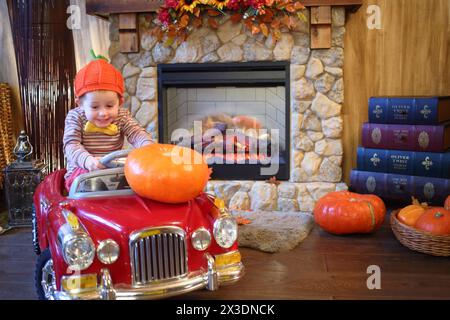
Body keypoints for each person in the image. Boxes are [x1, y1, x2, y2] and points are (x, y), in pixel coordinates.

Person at [63, 54, 153, 191]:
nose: (103, 113)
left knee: (140, 182)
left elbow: (136, 133)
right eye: (94, 107)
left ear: (120, 103)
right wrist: (87, 160)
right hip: (83, 170)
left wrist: (147, 146)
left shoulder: (122, 116)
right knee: (91, 186)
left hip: (113, 171)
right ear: (80, 104)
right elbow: (71, 145)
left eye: (110, 106)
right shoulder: (75, 117)